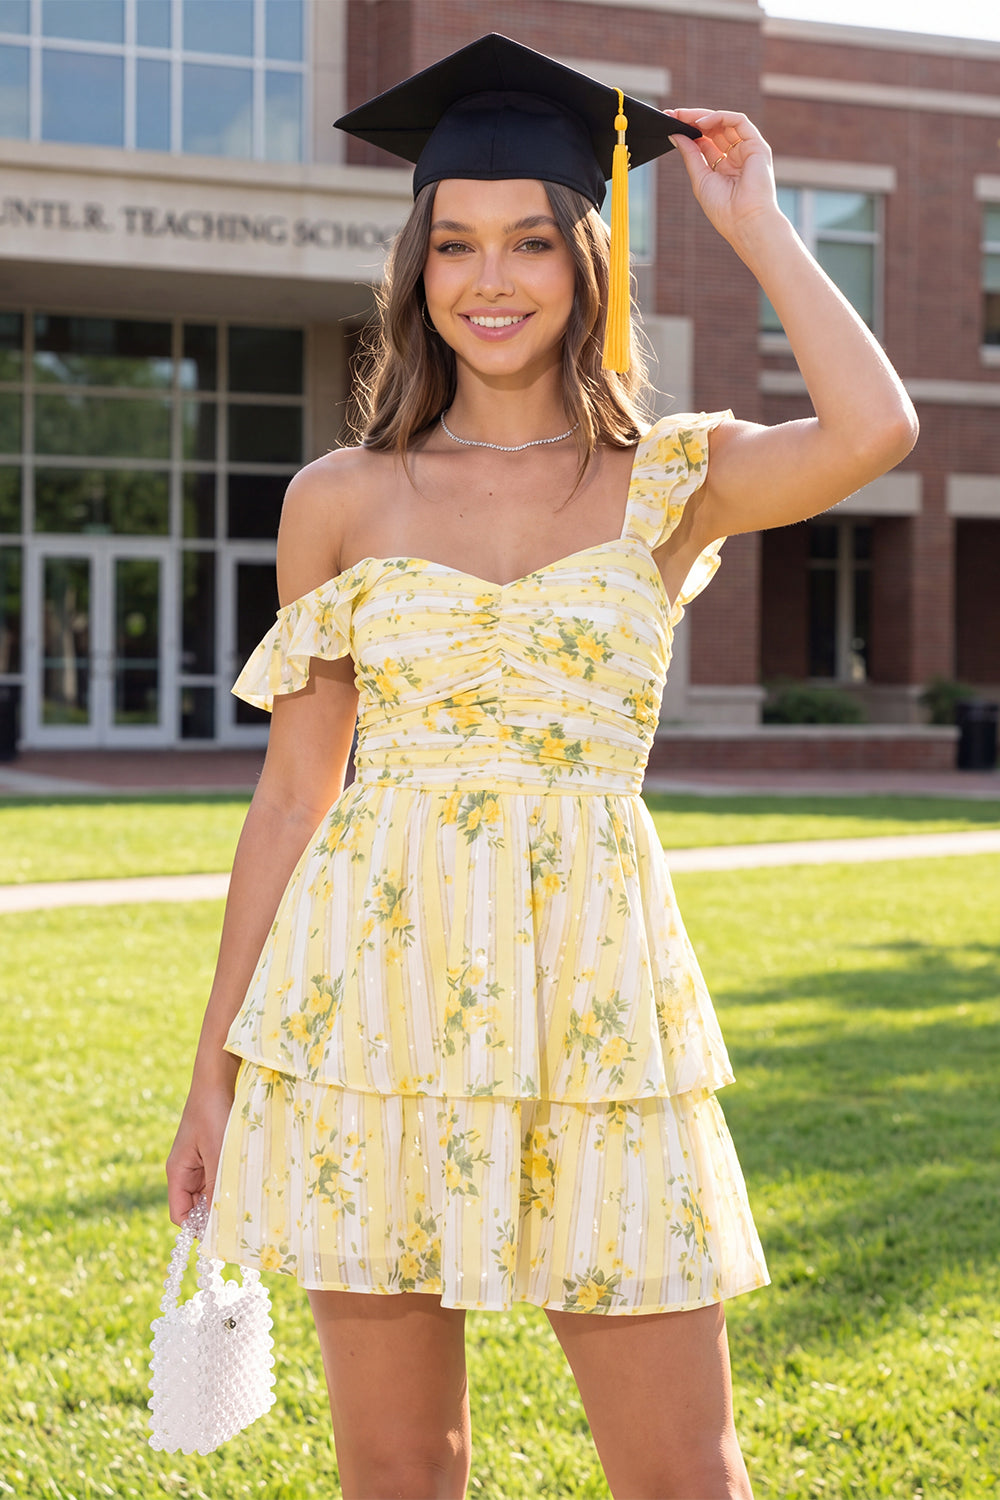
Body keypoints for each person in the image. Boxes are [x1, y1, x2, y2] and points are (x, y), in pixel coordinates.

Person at [166, 34, 917, 1500]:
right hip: (364, 1019)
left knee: (685, 1470)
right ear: (416, 266)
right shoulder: (338, 499)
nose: (487, 280)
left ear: (586, 264)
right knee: (397, 1467)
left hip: (599, 1011)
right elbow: (292, 797)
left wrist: (757, 220)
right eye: (453, 245)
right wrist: (216, 1076)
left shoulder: (673, 478)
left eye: (527, 244)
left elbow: (876, 427)